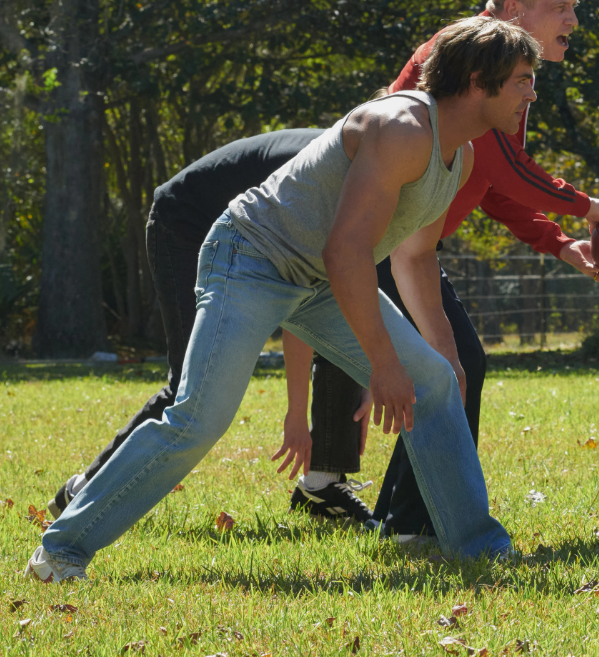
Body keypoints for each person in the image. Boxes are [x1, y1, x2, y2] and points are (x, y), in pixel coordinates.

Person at [26, 17, 537, 582]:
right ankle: (63, 549)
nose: (530, 93)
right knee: (199, 416)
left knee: (437, 384)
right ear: (475, 80)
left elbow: (412, 257)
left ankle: (477, 548)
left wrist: (445, 358)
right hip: (250, 260)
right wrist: (384, 365)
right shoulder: (403, 128)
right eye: (520, 79)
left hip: (315, 281)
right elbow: (348, 251)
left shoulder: (457, 155)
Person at [365, 0, 599, 542]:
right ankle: (414, 524)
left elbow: (493, 182)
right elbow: (507, 167)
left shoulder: (509, 65)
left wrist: (563, 243)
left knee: (450, 366)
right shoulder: (471, 55)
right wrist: (589, 208)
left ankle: (401, 517)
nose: (573, 20)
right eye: (561, 7)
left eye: (575, 7)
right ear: (516, 8)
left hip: (407, 245)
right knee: (454, 366)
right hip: (373, 243)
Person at [45, 129, 378, 524]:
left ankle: (323, 482)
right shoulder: (342, 173)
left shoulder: (373, 171)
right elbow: (300, 301)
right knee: (193, 383)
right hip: (185, 224)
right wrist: (295, 415)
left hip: (241, 232)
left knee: (340, 321)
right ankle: (84, 492)